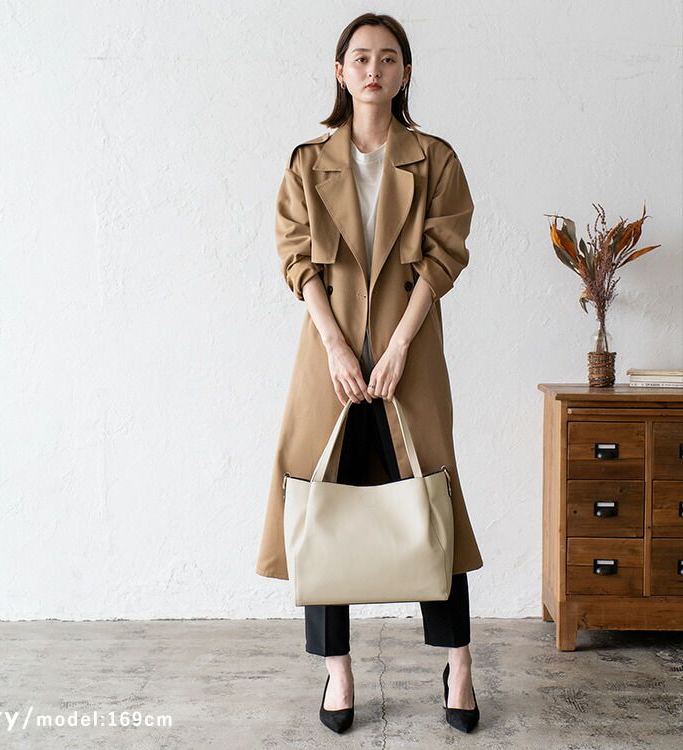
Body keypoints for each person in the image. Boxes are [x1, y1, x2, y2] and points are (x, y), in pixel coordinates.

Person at [256, 12, 483, 734]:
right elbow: (297, 260)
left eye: (388, 58)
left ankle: (459, 665)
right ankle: (338, 672)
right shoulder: (307, 162)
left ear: (405, 73)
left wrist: (399, 346)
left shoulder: (435, 159)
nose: (373, 69)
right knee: (321, 504)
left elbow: (442, 259)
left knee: (432, 501)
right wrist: (333, 345)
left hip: (408, 358)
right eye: (360, 57)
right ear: (340, 71)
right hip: (328, 362)